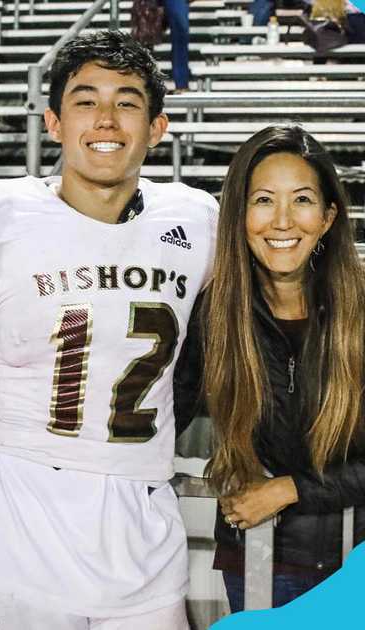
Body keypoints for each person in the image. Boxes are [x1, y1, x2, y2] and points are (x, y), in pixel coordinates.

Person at [0, 31, 218, 629]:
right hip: (24, 509)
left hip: (145, 508)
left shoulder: (196, 220)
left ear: (158, 127)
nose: (107, 120)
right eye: (86, 101)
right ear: (55, 122)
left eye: (128, 102)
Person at [176, 125, 365, 611]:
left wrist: (290, 489)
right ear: (239, 216)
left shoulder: (361, 311)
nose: (282, 221)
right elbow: (160, 420)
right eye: (263, 200)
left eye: (301, 200)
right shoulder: (212, 316)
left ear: (327, 218)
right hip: (259, 564)